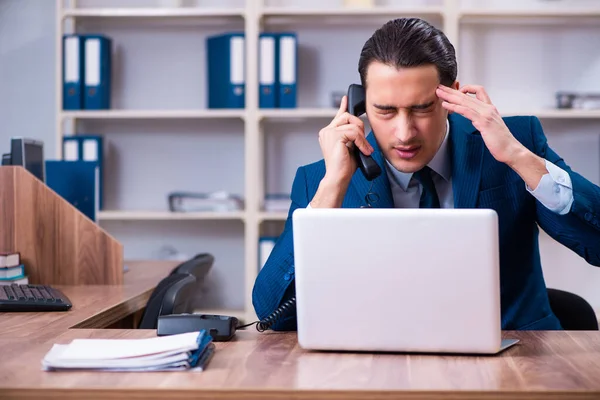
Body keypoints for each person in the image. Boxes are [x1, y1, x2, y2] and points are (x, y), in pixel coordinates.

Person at [252, 17, 600, 331]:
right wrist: (333, 187)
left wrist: (517, 157)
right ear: (359, 103)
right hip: (379, 366)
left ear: (452, 96)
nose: (404, 134)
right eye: (385, 111)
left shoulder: (515, 145)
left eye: (421, 108)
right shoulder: (322, 179)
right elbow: (273, 316)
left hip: (516, 362)